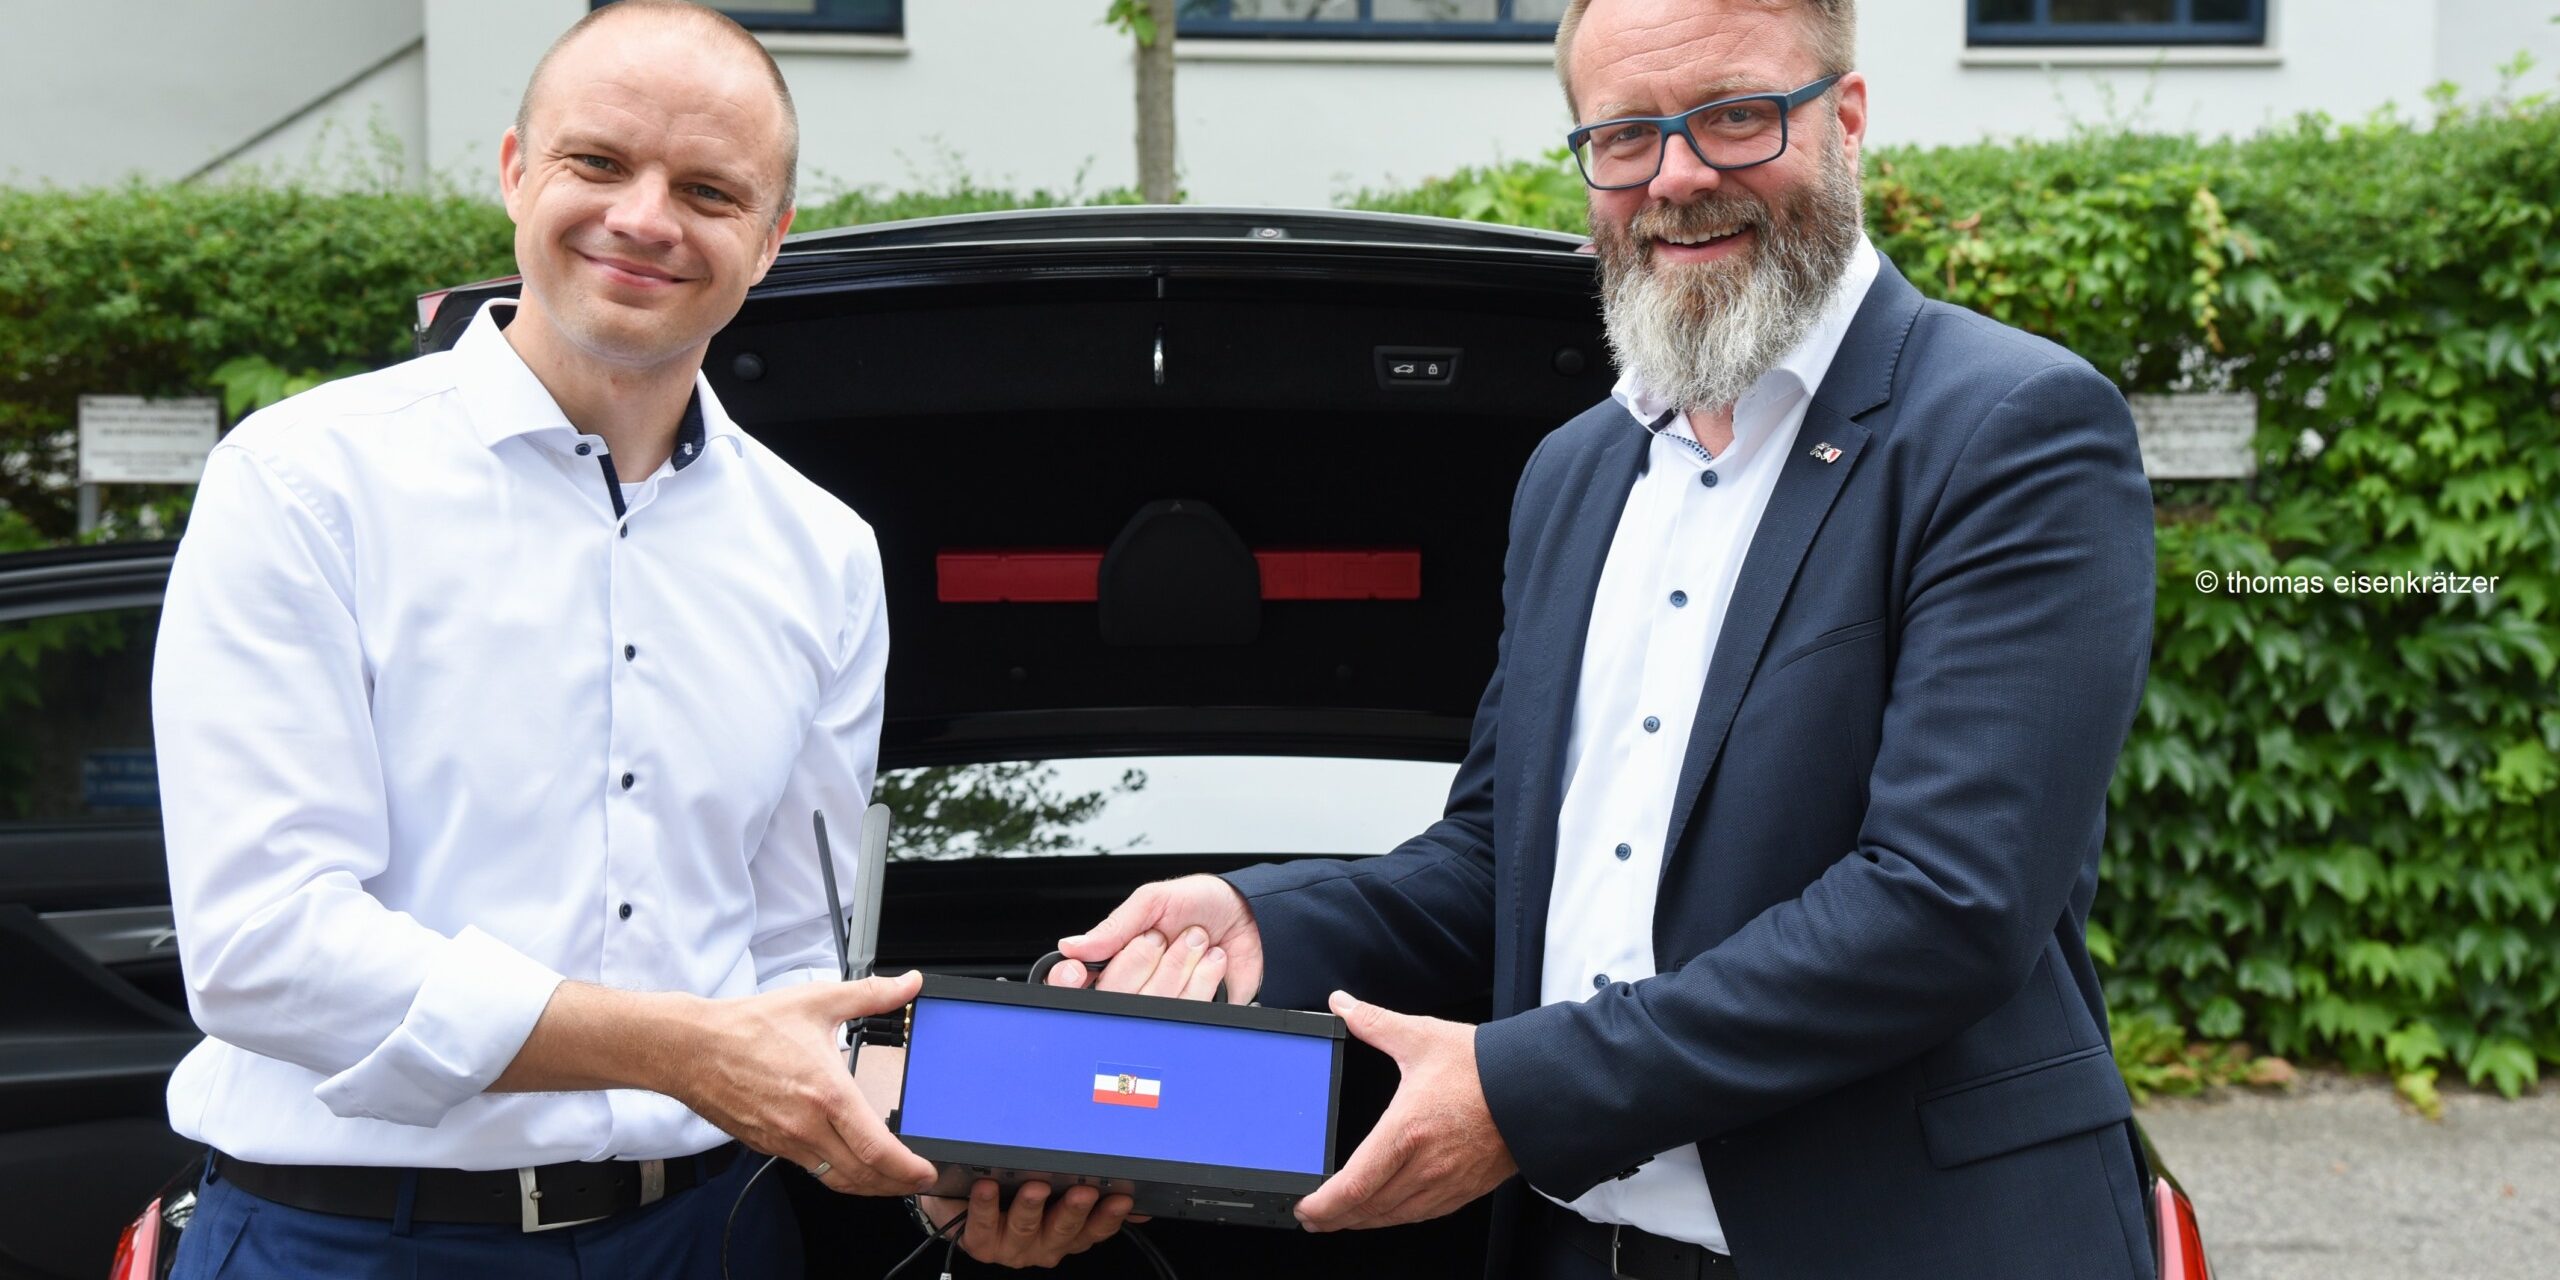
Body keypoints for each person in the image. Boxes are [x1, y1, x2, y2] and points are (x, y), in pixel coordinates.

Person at [1050, 1, 2159, 1276]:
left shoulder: (2014, 425)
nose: (1677, 176)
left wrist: (1519, 1091)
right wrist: (1262, 917)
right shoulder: (1575, 471)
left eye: (1736, 116)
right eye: (1625, 135)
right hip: (1582, 1248)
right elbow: (1496, 856)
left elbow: (1942, 902)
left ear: (1844, 121)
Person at [152, 3, 1125, 1274]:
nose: (647, 218)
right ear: (515, 171)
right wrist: (678, 1048)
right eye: (599, 163)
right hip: (345, 1240)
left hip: (708, 1236)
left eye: (710, 189)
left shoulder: (822, 552)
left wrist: (938, 1162)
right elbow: (262, 947)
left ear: (770, 241)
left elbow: (795, 962)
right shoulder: (301, 483)